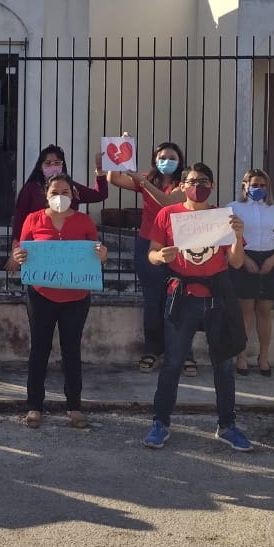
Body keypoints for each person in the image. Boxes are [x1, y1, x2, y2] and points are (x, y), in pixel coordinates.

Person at [143, 162, 253, 452]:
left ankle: (227, 425)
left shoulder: (223, 217)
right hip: (182, 296)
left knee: (224, 365)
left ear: (213, 186)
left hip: (218, 297)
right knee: (173, 363)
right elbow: (152, 253)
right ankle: (160, 422)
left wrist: (238, 236)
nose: (197, 186)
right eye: (191, 181)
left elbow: (237, 262)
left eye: (203, 181)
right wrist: (160, 257)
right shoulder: (168, 214)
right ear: (181, 186)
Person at [12, 173, 108, 429]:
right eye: (55, 192)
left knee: (71, 350)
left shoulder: (84, 221)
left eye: (66, 192)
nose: (60, 197)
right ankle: (34, 406)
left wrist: (102, 254)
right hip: (41, 294)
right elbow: (20, 251)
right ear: (46, 195)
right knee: (39, 349)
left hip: (76, 297)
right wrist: (19, 255)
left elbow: (94, 254)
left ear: (74, 196)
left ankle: (74, 407)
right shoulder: (33, 219)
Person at [106, 139, 186, 373]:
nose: (166, 162)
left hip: (175, 248)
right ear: (154, 160)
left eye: (172, 158)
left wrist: (142, 182)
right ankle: (152, 350)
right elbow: (114, 179)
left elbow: (167, 202)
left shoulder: (183, 184)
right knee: (152, 301)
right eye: (162, 158)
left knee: (177, 300)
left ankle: (180, 351)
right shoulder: (147, 179)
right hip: (147, 245)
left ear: (180, 162)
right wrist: (119, 151)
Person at [226, 168, 274, 376]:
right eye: (254, 185)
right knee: (246, 311)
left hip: (269, 260)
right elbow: (228, 239)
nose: (258, 189)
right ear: (245, 186)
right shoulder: (233, 208)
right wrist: (246, 261)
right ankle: (241, 356)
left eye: (262, 185)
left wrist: (273, 259)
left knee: (264, 312)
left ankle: (264, 357)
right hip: (244, 258)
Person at [7, 144, 108, 268]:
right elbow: (19, 219)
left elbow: (100, 195)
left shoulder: (72, 188)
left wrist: (100, 172)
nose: (52, 166)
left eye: (56, 163)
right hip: (40, 254)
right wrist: (15, 252)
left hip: (69, 254)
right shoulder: (31, 189)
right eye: (48, 163)